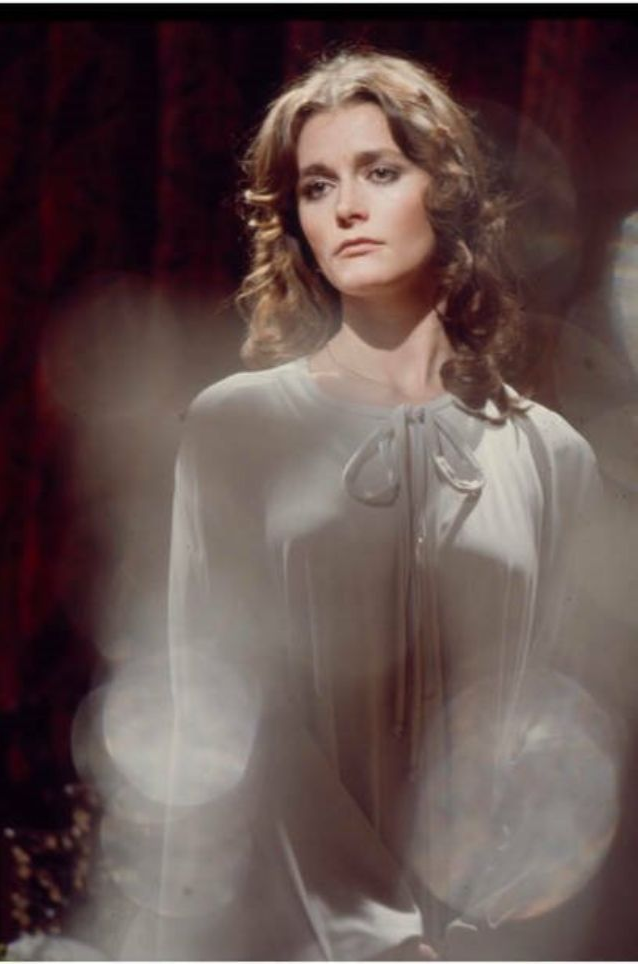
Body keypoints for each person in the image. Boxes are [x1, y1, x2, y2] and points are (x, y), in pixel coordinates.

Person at [159, 48, 611, 961]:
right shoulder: (238, 429)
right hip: (288, 933)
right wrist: (374, 935)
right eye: (317, 186)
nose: (346, 209)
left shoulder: (552, 455)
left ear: (445, 190)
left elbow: (565, 739)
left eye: (379, 171)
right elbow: (222, 711)